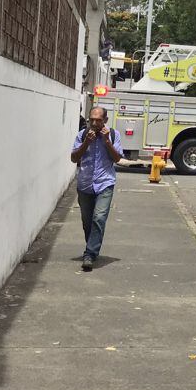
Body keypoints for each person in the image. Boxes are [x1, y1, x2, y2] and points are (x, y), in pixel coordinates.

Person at [70, 107, 123, 271]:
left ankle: (90, 254)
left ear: (105, 121)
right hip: (85, 184)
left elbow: (117, 158)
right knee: (88, 222)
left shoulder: (114, 135)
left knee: (99, 218)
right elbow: (73, 158)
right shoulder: (82, 135)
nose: (94, 123)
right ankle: (91, 247)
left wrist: (107, 141)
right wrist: (86, 142)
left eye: (98, 120)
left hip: (105, 183)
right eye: (91, 119)